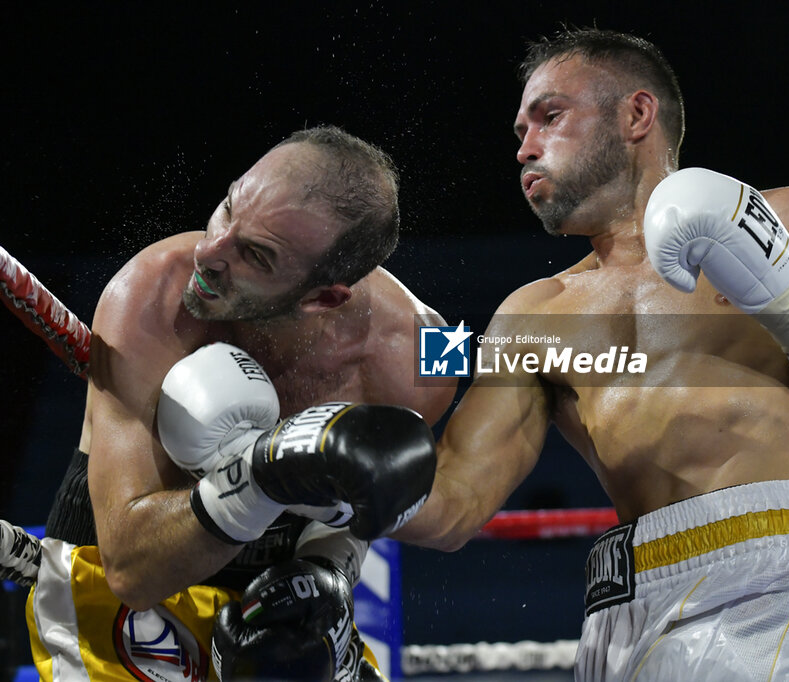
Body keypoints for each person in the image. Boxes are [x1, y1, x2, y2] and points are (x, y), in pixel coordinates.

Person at [392, 28, 789, 680]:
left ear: (636, 114)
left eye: (549, 116)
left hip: (762, 589)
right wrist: (336, 475)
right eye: (519, 130)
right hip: (617, 613)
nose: (524, 148)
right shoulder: (533, 315)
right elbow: (456, 500)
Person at [11, 125, 456, 681]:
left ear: (326, 296)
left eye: (256, 255)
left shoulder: (426, 356)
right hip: (121, 586)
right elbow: (130, 570)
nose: (208, 250)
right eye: (227, 208)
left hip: (277, 604)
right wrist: (266, 470)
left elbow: (358, 502)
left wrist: (326, 574)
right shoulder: (152, 290)